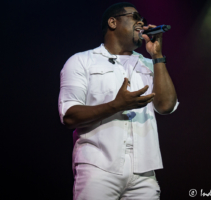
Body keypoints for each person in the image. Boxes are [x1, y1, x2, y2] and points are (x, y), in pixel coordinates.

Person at [58, 2, 179, 199]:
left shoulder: (150, 64)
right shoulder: (81, 61)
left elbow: (166, 106)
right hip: (98, 168)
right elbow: (69, 116)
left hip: (144, 172)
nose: (141, 23)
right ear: (113, 22)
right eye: (135, 17)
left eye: (144, 20)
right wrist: (117, 105)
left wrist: (157, 55)